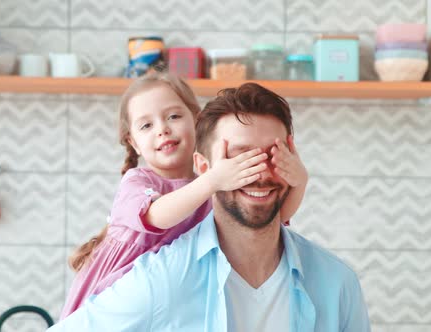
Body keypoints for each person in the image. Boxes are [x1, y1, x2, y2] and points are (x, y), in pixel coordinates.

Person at [48, 83, 370, 331]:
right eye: (240, 157)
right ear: (205, 169)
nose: (256, 173)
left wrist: (299, 180)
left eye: (271, 156)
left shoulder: (337, 282)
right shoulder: (160, 277)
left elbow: (277, 215)